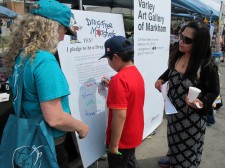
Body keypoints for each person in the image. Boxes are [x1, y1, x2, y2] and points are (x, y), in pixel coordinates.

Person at [3, 1, 89, 167]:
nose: (63, 37)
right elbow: (55, 118)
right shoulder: (44, 61)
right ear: (51, 27)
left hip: (28, 137)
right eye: (64, 30)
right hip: (48, 143)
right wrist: (81, 126)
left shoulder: (23, 57)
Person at [155, 21, 220, 168]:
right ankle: (172, 157)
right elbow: (170, 71)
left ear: (199, 44)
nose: (181, 42)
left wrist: (201, 102)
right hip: (173, 114)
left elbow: (214, 91)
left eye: (187, 40)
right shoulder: (178, 54)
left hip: (191, 120)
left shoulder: (206, 66)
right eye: (181, 36)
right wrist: (161, 79)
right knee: (173, 141)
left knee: (187, 152)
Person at [100, 36, 145, 168]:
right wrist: (112, 86)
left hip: (122, 139)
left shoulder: (119, 80)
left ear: (115, 57)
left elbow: (119, 115)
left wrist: (114, 145)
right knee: (130, 162)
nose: (108, 62)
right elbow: (129, 94)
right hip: (133, 133)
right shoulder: (136, 72)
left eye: (108, 58)